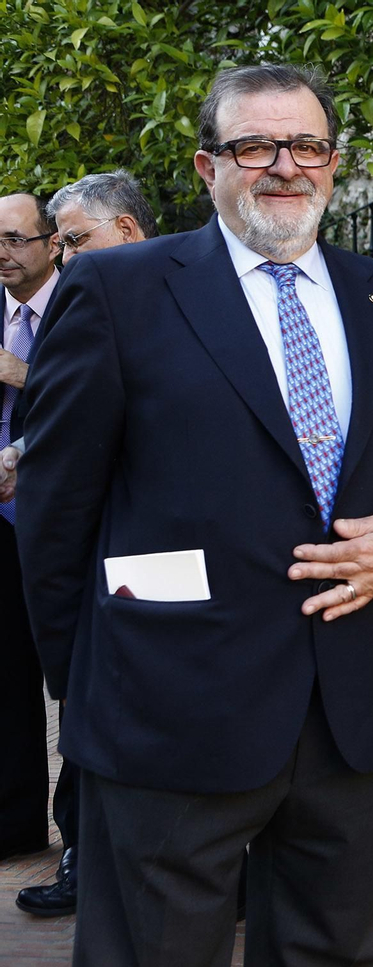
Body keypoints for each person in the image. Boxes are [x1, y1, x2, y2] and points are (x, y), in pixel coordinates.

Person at [16, 63, 373, 966]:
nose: (284, 165)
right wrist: (93, 683)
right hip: (165, 715)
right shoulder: (120, 293)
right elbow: (55, 510)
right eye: (254, 146)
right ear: (206, 166)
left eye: (306, 145)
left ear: (334, 163)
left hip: (345, 715)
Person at [10, 170, 161, 920]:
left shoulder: (187, 298)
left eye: (74, 241)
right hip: (110, 557)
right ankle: (85, 859)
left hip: (185, 562)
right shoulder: (96, 297)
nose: (62, 259)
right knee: (90, 723)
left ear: (127, 231)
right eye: (59, 243)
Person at [0, 192, 57, 868]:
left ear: (51, 244)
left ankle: (84, 837)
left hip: (56, 516)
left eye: (15, 238)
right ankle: (14, 823)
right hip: (0, 522)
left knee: (71, 681)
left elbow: (92, 389)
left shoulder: (82, 303)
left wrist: (17, 370)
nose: (4, 253)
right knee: (6, 674)